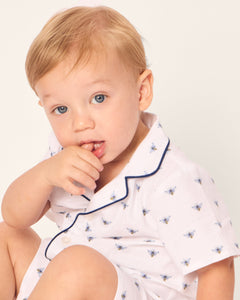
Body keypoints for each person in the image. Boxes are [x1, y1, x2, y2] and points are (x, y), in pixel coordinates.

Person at [1, 6, 239, 300]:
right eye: (60, 109)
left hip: (129, 290)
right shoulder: (64, 156)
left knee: (77, 265)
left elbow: (217, 267)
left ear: (141, 92)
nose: (80, 123)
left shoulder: (172, 179)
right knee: (5, 236)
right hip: (63, 284)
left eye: (98, 98)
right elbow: (13, 216)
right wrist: (45, 174)